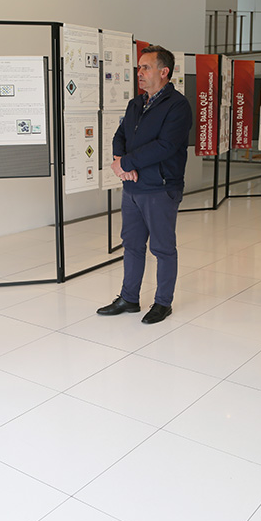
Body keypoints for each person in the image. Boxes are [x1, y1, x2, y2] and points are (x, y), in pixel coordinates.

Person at [97, 46, 192, 324]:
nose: (139, 73)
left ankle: (163, 303)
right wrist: (120, 161)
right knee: (132, 245)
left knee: (162, 248)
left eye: (146, 67)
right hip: (133, 188)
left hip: (161, 188)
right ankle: (129, 298)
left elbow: (165, 146)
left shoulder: (177, 106)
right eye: (139, 68)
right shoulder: (136, 104)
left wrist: (127, 164)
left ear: (164, 72)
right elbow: (120, 135)